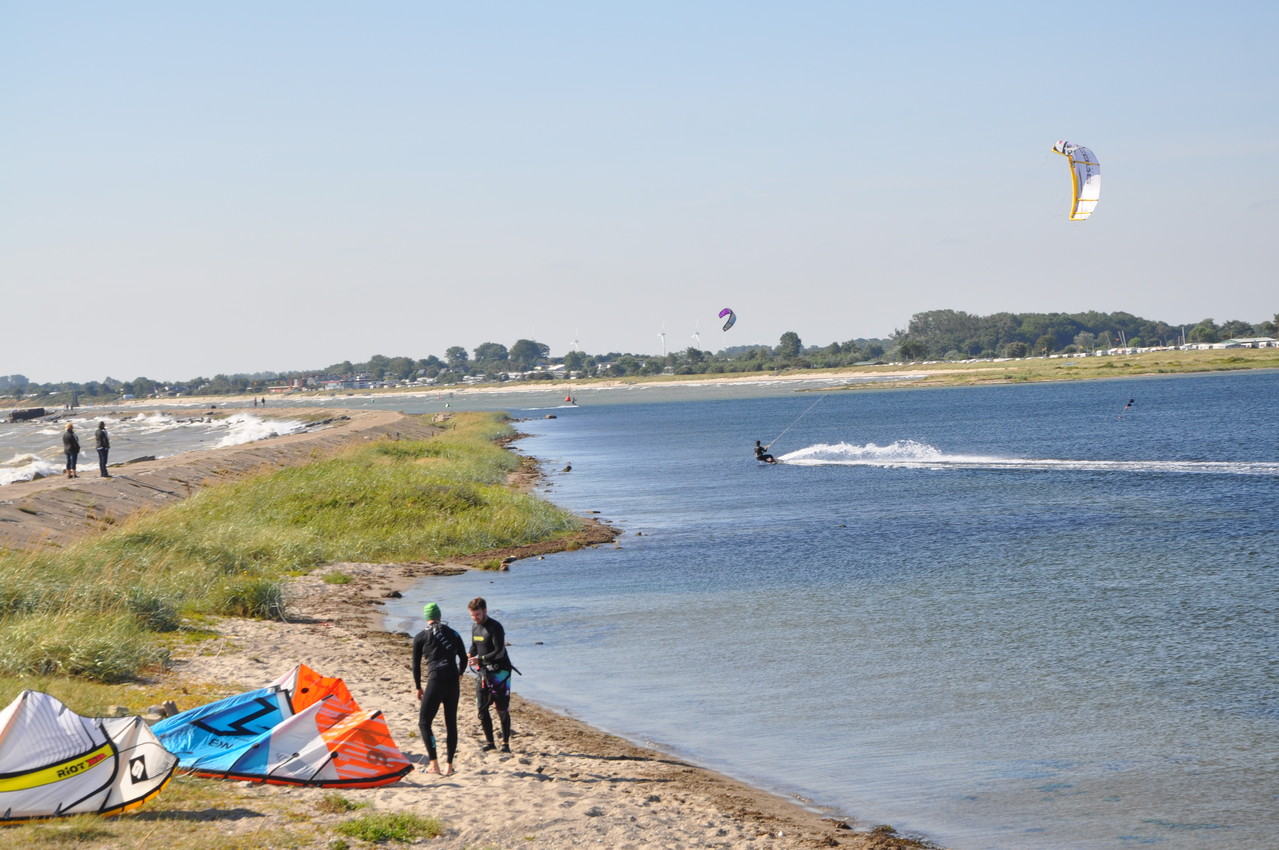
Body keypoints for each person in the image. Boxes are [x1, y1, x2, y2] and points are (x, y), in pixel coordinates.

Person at [412, 602, 468, 776]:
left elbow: (415, 665)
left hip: (435, 682)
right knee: (451, 723)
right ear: (440, 616)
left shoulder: (420, 637)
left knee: (424, 722)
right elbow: (463, 658)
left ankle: (434, 765)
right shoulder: (454, 633)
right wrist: (460, 674)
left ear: (427, 617)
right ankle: (449, 766)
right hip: (452, 683)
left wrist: (418, 687)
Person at [468, 597, 515, 753]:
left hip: (500, 672)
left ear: (485, 611)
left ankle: (505, 744)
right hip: (483, 673)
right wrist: (469, 655)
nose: (475, 618)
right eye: (473, 615)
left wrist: (479, 658)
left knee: (501, 708)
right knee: (481, 708)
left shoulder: (495, 627)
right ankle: (490, 742)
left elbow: (499, 651)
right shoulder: (475, 628)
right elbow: (474, 646)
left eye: (478, 615)